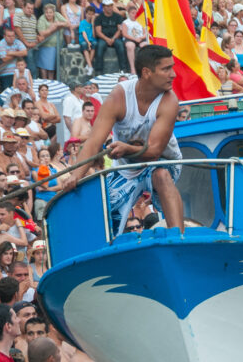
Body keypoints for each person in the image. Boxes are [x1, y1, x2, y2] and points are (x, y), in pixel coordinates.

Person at [65, 45, 184, 233]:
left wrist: (127, 149)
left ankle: (178, 238)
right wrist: (75, 176)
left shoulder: (170, 101)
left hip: (163, 161)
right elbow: (94, 142)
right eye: (166, 69)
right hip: (126, 168)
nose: (173, 74)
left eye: (172, 67)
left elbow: (154, 152)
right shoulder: (118, 96)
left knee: (161, 175)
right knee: (105, 217)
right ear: (146, 72)